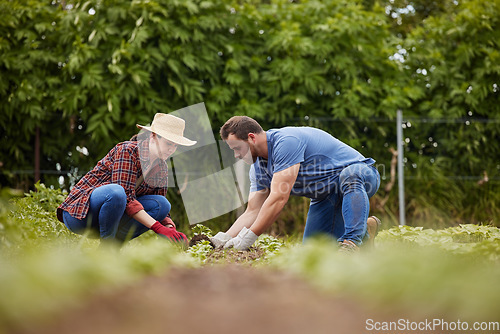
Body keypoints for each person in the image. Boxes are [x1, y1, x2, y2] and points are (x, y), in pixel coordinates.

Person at [210, 116, 381, 252]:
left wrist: (249, 236)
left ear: (251, 137)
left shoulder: (286, 142)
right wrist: (224, 237)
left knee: (349, 175)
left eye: (237, 148)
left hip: (362, 175)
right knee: (312, 252)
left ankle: (352, 241)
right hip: (326, 196)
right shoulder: (258, 167)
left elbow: (278, 198)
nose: (236, 155)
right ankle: (364, 230)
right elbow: (253, 210)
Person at [57, 113, 196, 245]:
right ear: (153, 137)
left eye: (175, 145)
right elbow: (126, 198)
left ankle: (114, 247)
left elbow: (158, 204)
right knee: (117, 192)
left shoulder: (161, 167)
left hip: (111, 218)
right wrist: (158, 228)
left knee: (162, 205)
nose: (171, 149)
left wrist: (170, 229)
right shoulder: (128, 151)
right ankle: (107, 247)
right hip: (80, 215)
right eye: (168, 143)